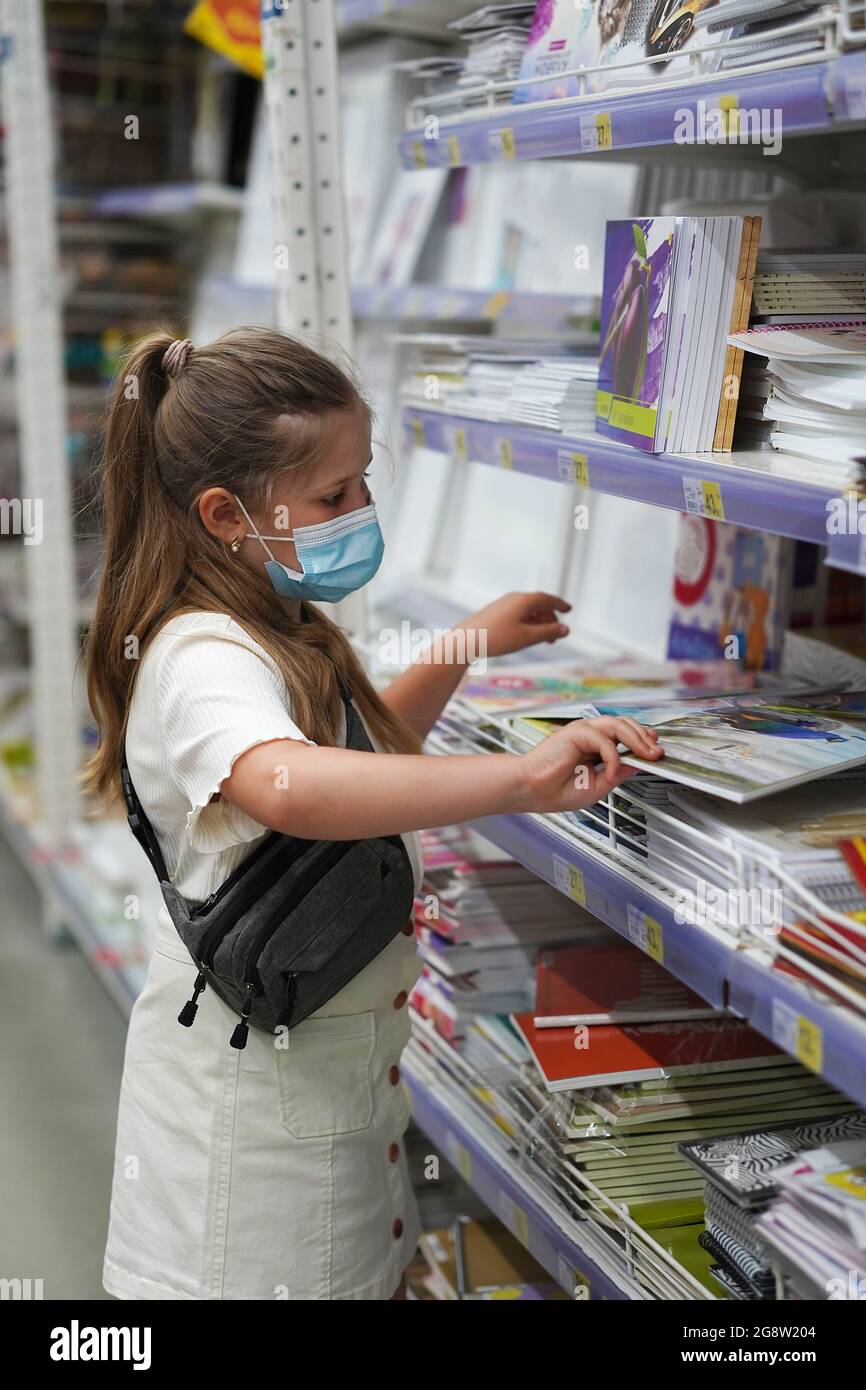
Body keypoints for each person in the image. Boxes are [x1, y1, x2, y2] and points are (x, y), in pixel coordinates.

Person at [84, 325, 662, 1302]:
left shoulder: (271, 618)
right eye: (334, 495)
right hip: (246, 1177)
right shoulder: (197, 653)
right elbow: (293, 786)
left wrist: (463, 643)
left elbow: (361, 756)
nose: (363, 510)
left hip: (322, 1112)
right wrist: (519, 781)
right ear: (227, 513)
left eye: (365, 483)